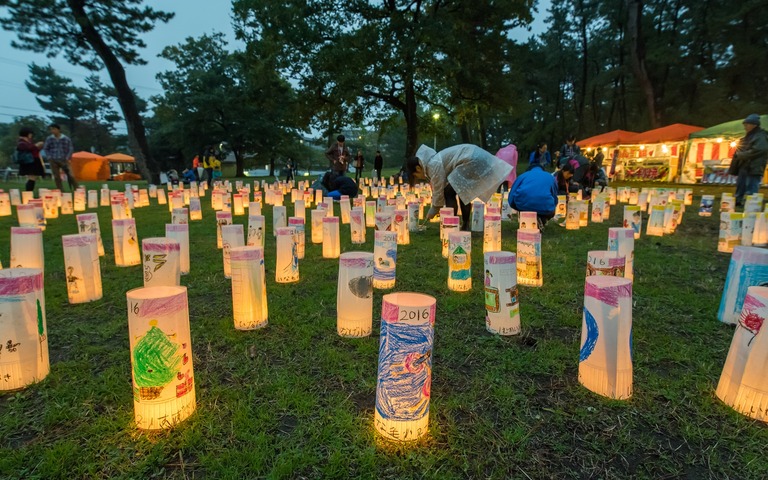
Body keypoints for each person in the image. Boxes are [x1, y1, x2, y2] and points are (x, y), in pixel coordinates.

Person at [406, 144, 513, 230]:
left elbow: (438, 190)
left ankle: (452, 225)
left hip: (471, 159)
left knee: (449, 193)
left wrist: (434, 209)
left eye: (416, 175)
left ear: (418, 168)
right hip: (476, 156)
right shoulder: (434, 161)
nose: (419, 178)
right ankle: (464, 225)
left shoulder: (433, 165)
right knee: (462, 192)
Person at [729, 114, 768, 207]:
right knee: (741, 184)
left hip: (754, 166)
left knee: (752, 186)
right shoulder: (749, 136)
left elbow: (760, 149)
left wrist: (741, 155)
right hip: (745, 165)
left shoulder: (761, 136)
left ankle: (751, 204)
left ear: (754, 125)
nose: (745, 127)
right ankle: (738, 201)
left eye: (747, 124)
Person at [508, 163, 558, 230]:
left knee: (525, 204)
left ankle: (526, 219)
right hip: (544, 206)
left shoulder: (523, 176)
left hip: (523, 205)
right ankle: (541, 219)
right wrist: (552, 207)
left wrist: (514, 205)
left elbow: (512, 193)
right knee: (545, 207)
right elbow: (554, 195)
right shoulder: (550, 177)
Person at [42, 123, 77, 191]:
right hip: (53, 159)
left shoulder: (66, 139)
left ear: (58, 130)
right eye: (51, 129)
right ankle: (60, 190)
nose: (52, 131)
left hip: (64, 159)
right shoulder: (49, 139)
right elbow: (46, 148)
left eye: (54, 129)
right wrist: (49, 156)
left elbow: (70, 148)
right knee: (56, 176)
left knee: (70, 175)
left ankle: (76, 189)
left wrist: (68, 157)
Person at [15, 127, 45, 192]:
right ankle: (28, 193)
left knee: (32, 178)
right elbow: (27, 148)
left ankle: (29, 192)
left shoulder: (28, 141)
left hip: (33, 160)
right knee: (32, 177)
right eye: (30, 134)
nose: (31, 136)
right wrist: (36, 145)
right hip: (30, 161)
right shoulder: (22, 142)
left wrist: (38, 147)